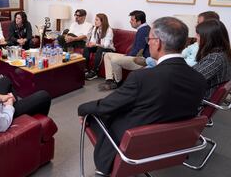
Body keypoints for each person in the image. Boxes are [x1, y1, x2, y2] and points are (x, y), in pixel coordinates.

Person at [78, 17, 206, 176]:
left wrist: (82, 109)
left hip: (134, 147)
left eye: (149, 39)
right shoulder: (199, 80)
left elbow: (107, 105)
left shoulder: (143, 78)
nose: (148, 42)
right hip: (170, 148)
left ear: (157, 42)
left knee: (93, 115)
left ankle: (105, 167)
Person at [138, 11, 221, 68]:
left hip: (179, 67)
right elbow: (185, 52)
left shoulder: (212, 56)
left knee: (151, 64)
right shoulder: (198, 44)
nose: (196, 26)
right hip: (179, 64)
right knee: (149, 67)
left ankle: (149, 62)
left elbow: (192, 66)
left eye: (199, 23)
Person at [99, 10, 150, 90]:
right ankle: (109, 80)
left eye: (132, 20)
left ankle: (118, 82)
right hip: (133, 55)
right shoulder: (143, 29)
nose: (130, 22)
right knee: (107, 55)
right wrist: (127, 55)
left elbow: (139, 50)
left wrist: (127, 56)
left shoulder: (144, 31)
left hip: (140, 59)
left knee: (115, 60)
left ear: (139, 21)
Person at [193, 20, 231, 100]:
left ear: (208, 38)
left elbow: (188, 80)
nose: (195, 37)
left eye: (198, 34)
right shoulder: (221, 54)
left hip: (199, 102)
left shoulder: (215, 59)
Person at [84, 13, 115, 80]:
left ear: (102, 21)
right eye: (95, 20)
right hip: (99, 47)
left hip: (109, 49)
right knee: (87, 48)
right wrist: (89, 44)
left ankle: (94, 72)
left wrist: (95, 44)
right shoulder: (95, 28)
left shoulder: (109, 30)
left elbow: (106, 45)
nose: (95, 21)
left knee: (100, 49)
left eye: (97, 20)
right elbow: (93, 41)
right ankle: (85, 69)